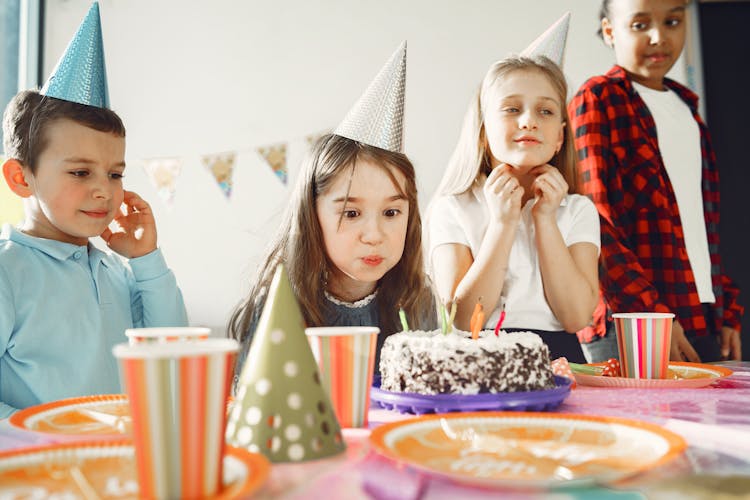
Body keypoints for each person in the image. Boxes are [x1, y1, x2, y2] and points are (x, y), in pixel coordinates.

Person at [0, 4, 187, 418]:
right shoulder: (7, 271)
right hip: (35, 467)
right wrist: (39, 433)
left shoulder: (114, 271)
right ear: (20, 177)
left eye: (116, 173)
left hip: (113, 463)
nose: (104, 190)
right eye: (81, 171)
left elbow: (173, 353)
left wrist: (147, 260)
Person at [229, 44, 434, 381]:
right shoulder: (279, 306)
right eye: (351, 214)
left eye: (392, 212)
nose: (375, 235)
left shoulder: (418, 303)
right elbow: (253, 409)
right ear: (313, 216)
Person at [569, 0, 743, 362]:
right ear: (610, 31)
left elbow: (703, 229)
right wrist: (654, 316)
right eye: (640, 25)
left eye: (673, 21)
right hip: (631, 320)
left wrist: (728, 310)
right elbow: (597, 223)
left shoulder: (688, 108)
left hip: (700, 315)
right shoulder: (598, 98)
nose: (658, 37)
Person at [426, 55, 600, 363]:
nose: (529, 121)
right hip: (477, 359)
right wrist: (502, 224)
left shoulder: (578, 210)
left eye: (545, 111)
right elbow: (463, 320)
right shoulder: (452, 207)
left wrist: (545, 219)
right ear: (483, 132)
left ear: (560, 136)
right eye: (512, 109)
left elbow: (576, 318)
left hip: (560, 362)